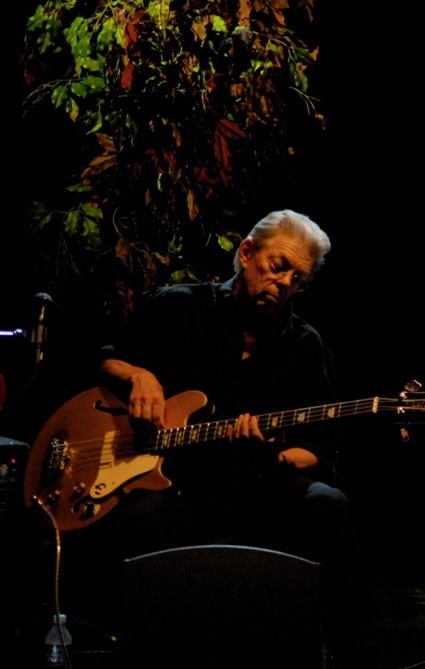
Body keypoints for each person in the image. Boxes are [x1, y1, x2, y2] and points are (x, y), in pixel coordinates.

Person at [91, 209, 375, 667]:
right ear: (246, 253)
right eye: (278, 266)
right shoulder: (178, 306)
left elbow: (318, 452)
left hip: (261, 492)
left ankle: (357, 657)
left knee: (329, 504)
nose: (284, 283)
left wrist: (275, 457)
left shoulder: (307, 347)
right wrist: (138, 376)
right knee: (138, 522)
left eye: (297, 278)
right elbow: (105, 360)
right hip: (180, 491)